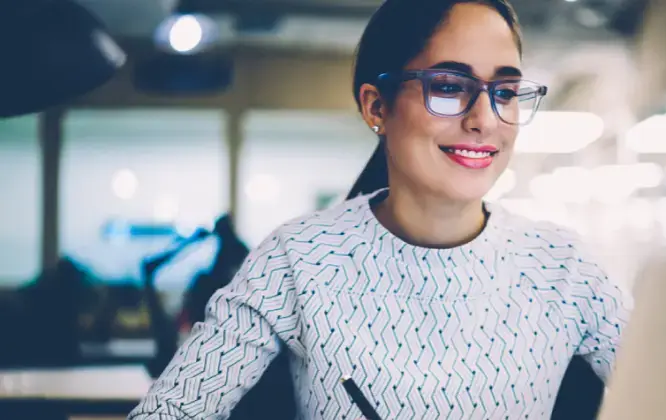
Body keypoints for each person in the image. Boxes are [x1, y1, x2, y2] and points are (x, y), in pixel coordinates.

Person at [129, 0, 631, 418]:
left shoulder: (563, 268)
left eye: (504, 91)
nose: (485, 119)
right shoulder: (300, 258)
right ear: (376, 107)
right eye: (450, 87)